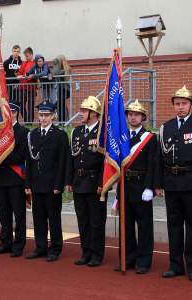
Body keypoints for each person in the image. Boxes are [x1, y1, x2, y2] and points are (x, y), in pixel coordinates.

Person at [155, 86, 192, 282]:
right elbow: (159, 158)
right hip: (171, 183)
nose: (180, 107)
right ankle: (175, 265)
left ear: (191, 105)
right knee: (173, 225)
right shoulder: (166, 127)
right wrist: (158, 183)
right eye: (177, 104)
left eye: (184, 104)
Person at [114, 100, 157, 274]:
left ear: (143, 117)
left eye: (136, 114)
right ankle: (127, 258)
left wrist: (150, 188)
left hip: (141, 186)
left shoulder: (149, 138)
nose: (133, 117)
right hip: (125, 185)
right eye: (130, 114)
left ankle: (144, 261)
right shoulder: (121, 137)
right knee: (126, 225)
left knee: (144, 225)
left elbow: (153, 165)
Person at [25, 101, 69, 262]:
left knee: (54, 218)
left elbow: (63, 162)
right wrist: (28, 184)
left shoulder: (60, 135)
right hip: (36, 184)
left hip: (52, 185)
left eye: (47, 115)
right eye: (41, 115)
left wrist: (59, 185)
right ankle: (41, 246)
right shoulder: (33, 135)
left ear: (53, 116)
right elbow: (29, 162)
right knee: (39, 218)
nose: (43, 118)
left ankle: (55, 248)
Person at [65, 96, 105, 267]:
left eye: (84, 111)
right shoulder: (77, 132)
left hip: (95, 181)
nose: (81, 113)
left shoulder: (102, 132)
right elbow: (71, 159)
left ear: (94, 114)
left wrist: (102, 184)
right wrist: (68, 181)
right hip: (79, 181)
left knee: (96, 221)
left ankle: (97, 254)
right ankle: (86, 252)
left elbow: (105, 161)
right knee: (83, 220)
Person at [0, 100, 29, 257]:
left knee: (18, 213)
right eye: (6, 112)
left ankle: (19, 244)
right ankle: (5, 242)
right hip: (1, 177)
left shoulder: (23, 132)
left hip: (16, 178)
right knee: (4, 213)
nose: (8, 115)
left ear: (15, 113)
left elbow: (21, 156)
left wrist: (2, 156)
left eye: (11, 112)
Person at [17, 47, 36, 123]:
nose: (26, 57)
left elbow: (35, 74)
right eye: (25, 56)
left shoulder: (35, 63)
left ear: (31, 55)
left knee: (30, 106)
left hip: (31, 88)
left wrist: (30, 76)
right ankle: (26, 120)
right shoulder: (24, 63)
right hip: (22, 87)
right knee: (21, 105)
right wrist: (18, 75)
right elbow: (19, 72)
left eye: (27, 56)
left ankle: (30, 122)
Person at [52, 55, 71, 122]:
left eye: (57, 61)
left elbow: (56, 73)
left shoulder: (65, 70)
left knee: (59, 105)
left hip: (65, 89)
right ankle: (63, 121)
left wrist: (55, 63)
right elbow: (54, 73)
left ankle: (62, 121)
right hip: (61, 89)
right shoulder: (61, 69)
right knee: (61, 105)